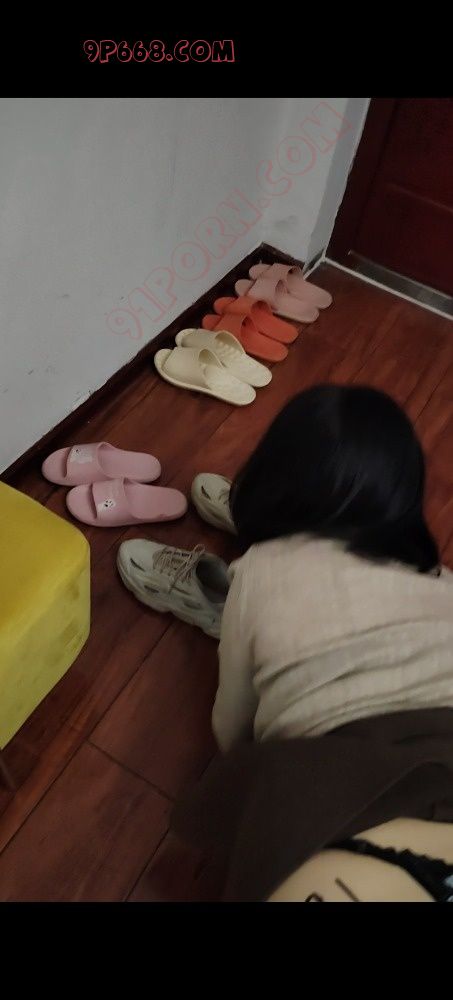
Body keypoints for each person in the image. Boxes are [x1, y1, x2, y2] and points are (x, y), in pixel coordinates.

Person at [211, 383, 453, 752]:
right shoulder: (442, 582)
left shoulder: (259, 570)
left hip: (338, 766)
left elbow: (231, 730)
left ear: (269, 477)